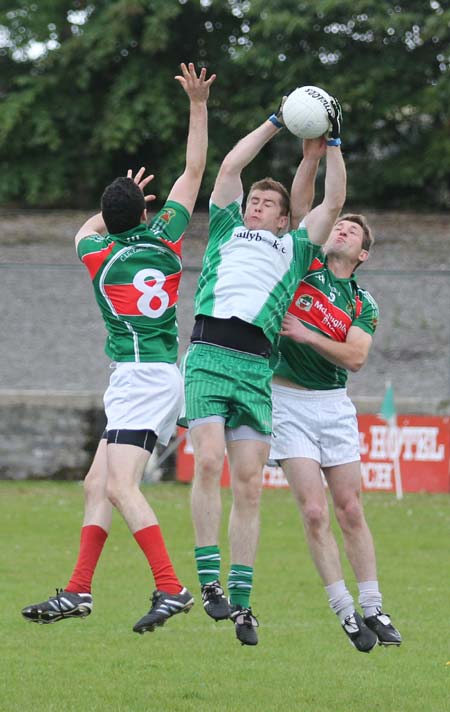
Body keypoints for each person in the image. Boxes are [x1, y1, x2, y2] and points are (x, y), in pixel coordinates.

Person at [21, 63, 216, 634]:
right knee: (94, 485)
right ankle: (78, 591)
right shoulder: (166, 238)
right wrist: (197, 105)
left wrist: (115, 204)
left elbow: (86, 230)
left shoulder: (98, 257)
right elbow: (193, 169)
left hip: (141, 379)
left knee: (119, 486)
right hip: (151, 372)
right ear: (148, 214)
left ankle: (172, 587)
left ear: (107, 221)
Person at [183, 97, 346, 645]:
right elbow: (230, 167)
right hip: (207, 354)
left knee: (249, 487)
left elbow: (333, 201)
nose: (254, 205)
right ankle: (209, 583)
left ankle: (244, 603)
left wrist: (335, 146)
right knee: (208, 460)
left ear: (282, 219)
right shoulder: (227, 226)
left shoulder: (296, 248)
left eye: (266, 203)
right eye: (253, 199)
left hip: (254, 369)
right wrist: (277, 120)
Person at [270, 142, 402, 653]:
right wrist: (326, 153)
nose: (341, 228)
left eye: (352, 230)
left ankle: (375, 605)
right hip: (286, 401)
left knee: (350, 508)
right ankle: (346, 611)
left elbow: (355, 359)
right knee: (314, 512)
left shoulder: (363, 301)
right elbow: (312, 202)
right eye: (339, 225)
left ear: (363, 254)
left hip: (333, 406)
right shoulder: (304, 265)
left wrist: (303, 333)